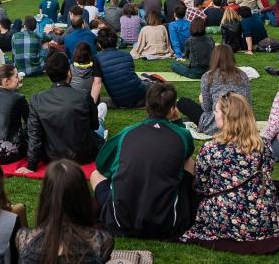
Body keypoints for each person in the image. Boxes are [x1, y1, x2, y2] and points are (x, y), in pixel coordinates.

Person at [181, 92, 279, 243]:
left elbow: (199, 186)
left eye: (216, 111)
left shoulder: (211, 149)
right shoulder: (263, 145)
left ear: (226, 117)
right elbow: (267, 173)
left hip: (224, 219)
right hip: (262, 217)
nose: (214, 115)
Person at [91, 83, 195, 239]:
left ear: (147, 105)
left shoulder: (127, 133)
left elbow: (101, 164)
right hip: (164, 224)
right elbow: (186, 152)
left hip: (122, 221)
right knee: (189, 162)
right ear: (173, 108)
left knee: (95, 175)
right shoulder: (182, 135)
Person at [21, 52, 105, 173]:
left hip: (55, 157)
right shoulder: (82, 96)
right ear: (68, 72)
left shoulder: (38, 99)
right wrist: (31, 166)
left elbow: (34, 134)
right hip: (81, 155)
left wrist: (31, 165)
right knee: (100, 127)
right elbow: (95, 125)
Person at [94, 28, 147, 109]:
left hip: (119, 100)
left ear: (99, 44)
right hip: (138, 96)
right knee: (152, 84)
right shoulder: (127, 55)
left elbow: (97, 82)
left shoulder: (97, 58)